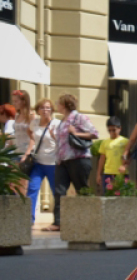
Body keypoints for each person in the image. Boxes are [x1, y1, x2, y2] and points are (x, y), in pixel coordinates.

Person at [48, 94, 97, 231]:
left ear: (64, 105)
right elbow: (63, 141)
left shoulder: (78, 117)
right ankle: (58, 222)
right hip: (62, 161)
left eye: (58, 102)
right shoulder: (61, 120)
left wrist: (76, 133)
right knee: (59, 191)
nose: (57, 105)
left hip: (79, 159)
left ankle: (88, 220)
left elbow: (94, 133)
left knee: (82, 190)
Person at [94, 116, 129, 193]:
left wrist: (125, 166)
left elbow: (129, 157)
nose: (112, 132)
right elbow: (102, 159)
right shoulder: (105, 142)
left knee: (122, 195)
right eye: (109, 130)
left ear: (120, 128)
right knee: (108, 195)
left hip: (121, 173)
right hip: (108, 173)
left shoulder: (125, 141)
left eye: (114, 130)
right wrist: (98, 174)